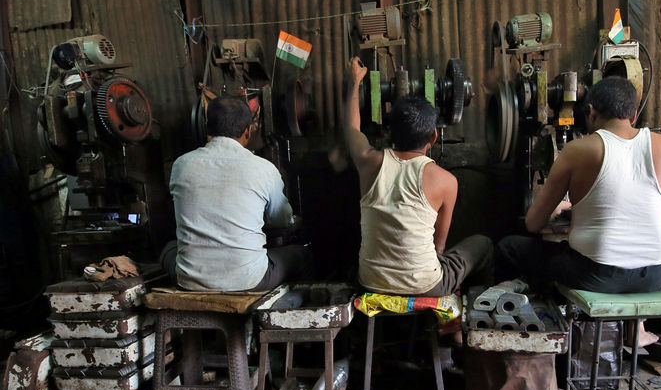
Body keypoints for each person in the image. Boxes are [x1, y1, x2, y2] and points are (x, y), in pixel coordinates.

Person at [496, 77, 661, 342]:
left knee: (510, 247)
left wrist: (561, 209)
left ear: (591, 111)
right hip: (655, 274)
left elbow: (533, 224)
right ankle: (635, 330)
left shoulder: (577, 150)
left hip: (595, 275)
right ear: (634, 112)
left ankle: (527, 329)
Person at [345, 57, 493, 296]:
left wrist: (353, 84)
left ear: (389, 132)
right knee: (482, 244)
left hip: (370, 282)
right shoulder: (447, 181)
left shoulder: (368, 161)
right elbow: (439, 246)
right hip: (426, 286)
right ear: (433, 136)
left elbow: (352, 130)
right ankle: (462, 323)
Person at [161, 96, 312, 291]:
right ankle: (294, 306)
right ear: (248, 132)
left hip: (190, 281)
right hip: (250, 280)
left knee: (169, 248)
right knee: (303, 255)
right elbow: (281, 220)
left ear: (208, 128)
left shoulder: (181, 165)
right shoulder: (263, 169)